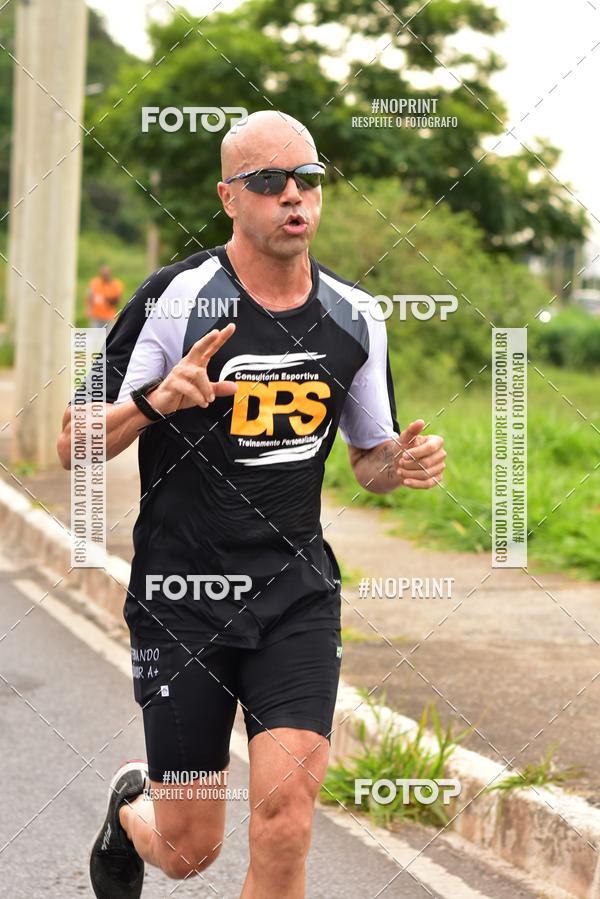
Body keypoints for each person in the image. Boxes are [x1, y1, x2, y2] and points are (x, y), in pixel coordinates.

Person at [57, 110, 446, 899]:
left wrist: (396, 464)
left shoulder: (354, 315)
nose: (294, 196)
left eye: (309, 179)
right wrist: (155, 402)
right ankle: (134, 809)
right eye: (270, 183)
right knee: (189, 847)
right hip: (182, 596)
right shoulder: (175, 300)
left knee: (286, 814)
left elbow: (366, 460)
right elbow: (74, 442)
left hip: (294, 593)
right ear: (230, 197)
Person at [86, 264, 124, 328]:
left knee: (108, 336)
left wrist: (105, 299)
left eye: (106, 274)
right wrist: (89, 308)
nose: (105, 276)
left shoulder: (115, 284)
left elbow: (117, 300)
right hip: (96, 316)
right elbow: (90, 296)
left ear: (110, 274)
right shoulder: (95, 283)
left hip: (109, 317)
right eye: (103, 274)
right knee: (96, 336)